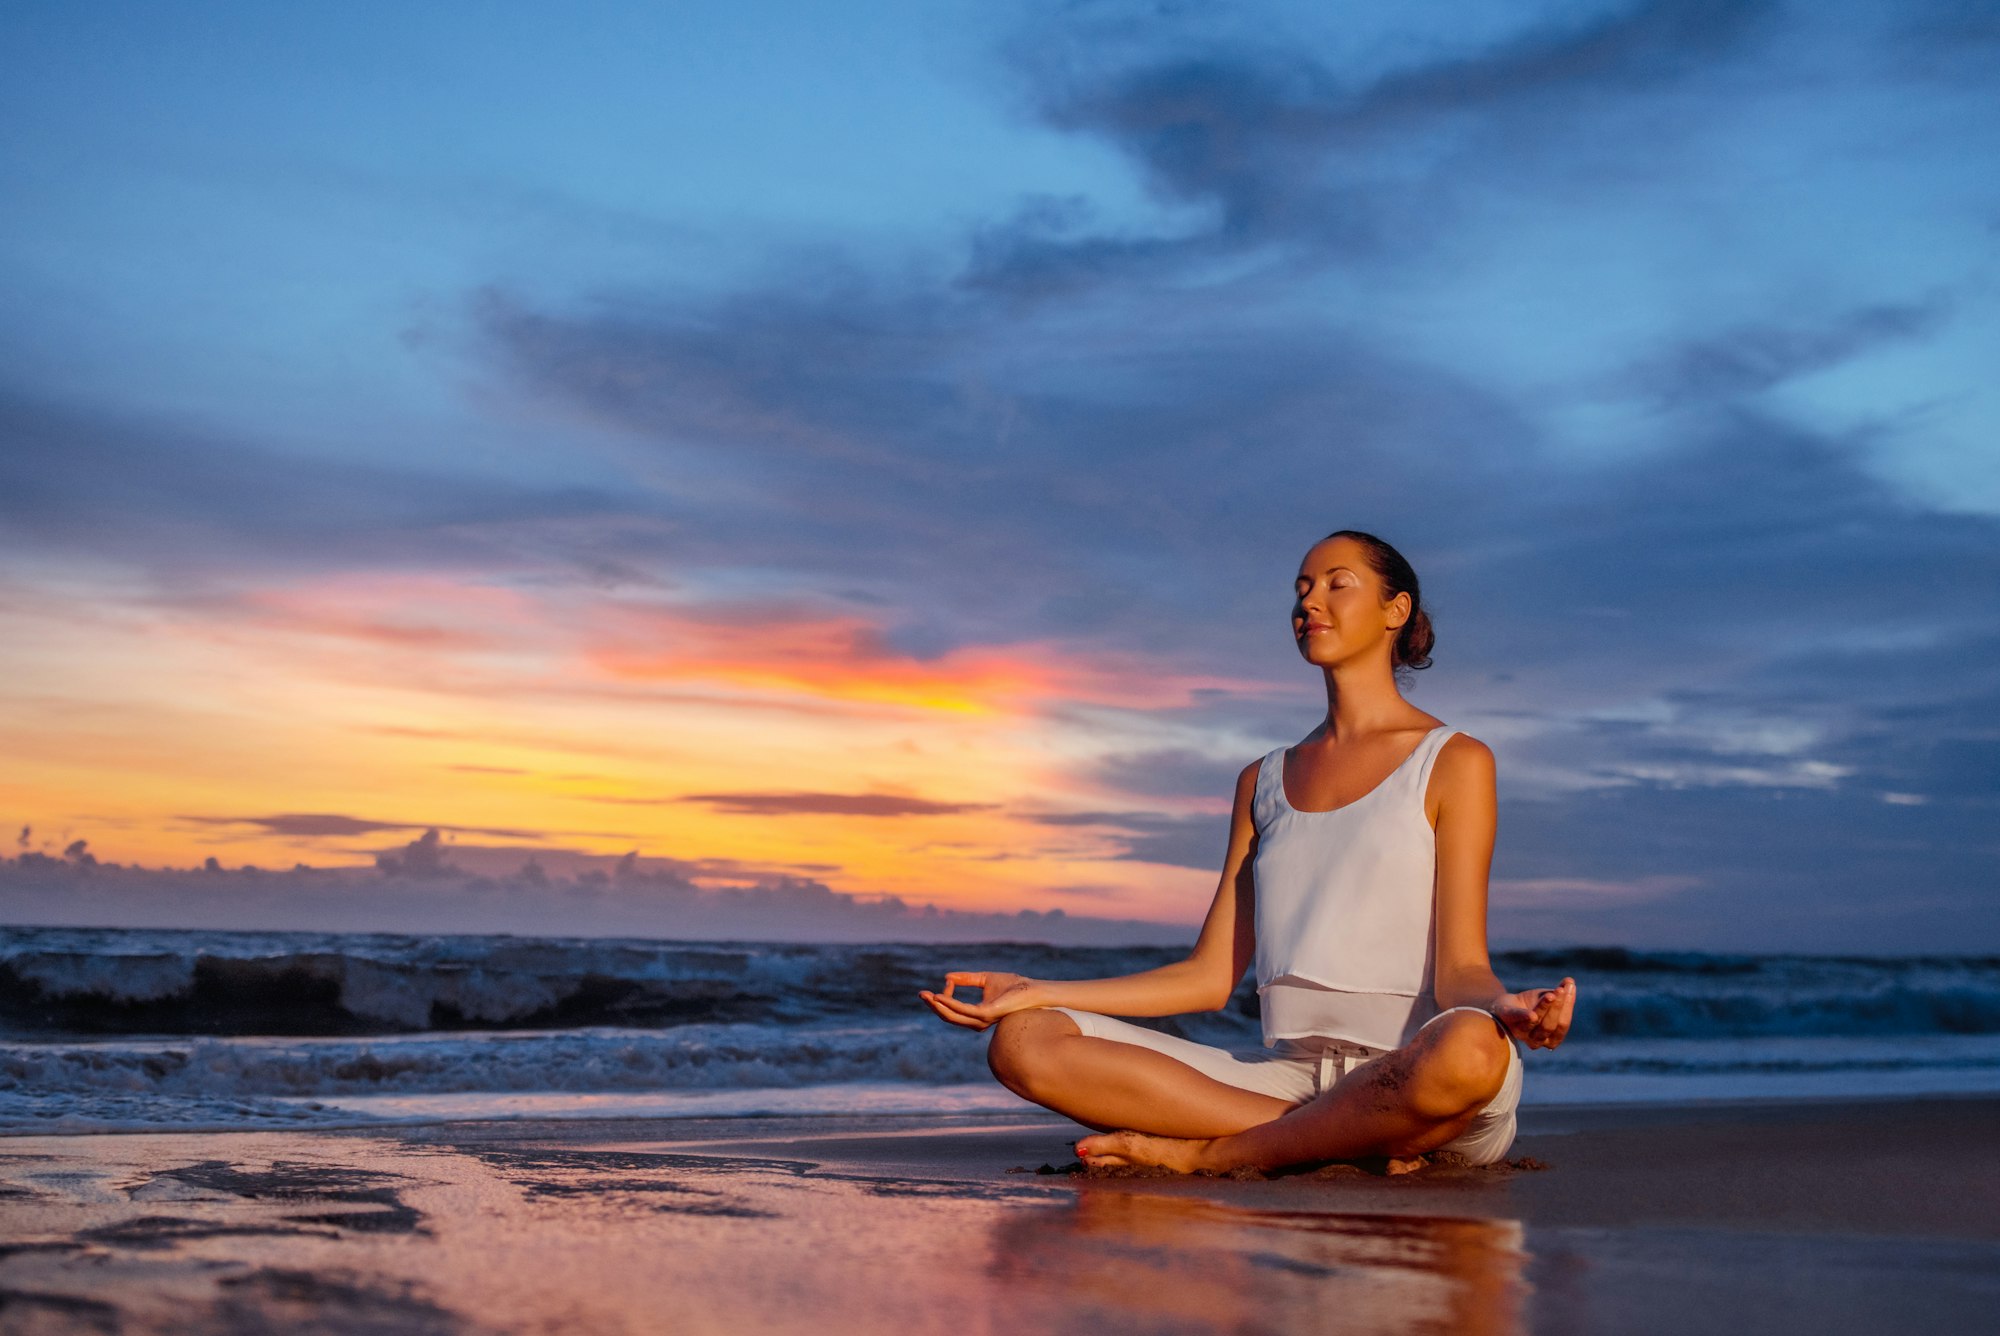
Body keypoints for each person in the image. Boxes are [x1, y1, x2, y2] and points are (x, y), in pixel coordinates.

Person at [919, 529, 1576, 1175]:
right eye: (1302, 589)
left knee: (1467, 1051)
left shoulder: (1454, 761)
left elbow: (1461, 968)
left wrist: (1505, 1008)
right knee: (1025, 1043)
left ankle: (1216, 1153)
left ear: (1394, 610)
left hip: (1417, 1073)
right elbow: (1207, 978)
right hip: (1286, 1082)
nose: (1309, 602)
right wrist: (1035, 991)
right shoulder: (1261, 781)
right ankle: (1344, 1138)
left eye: (1337, 585)